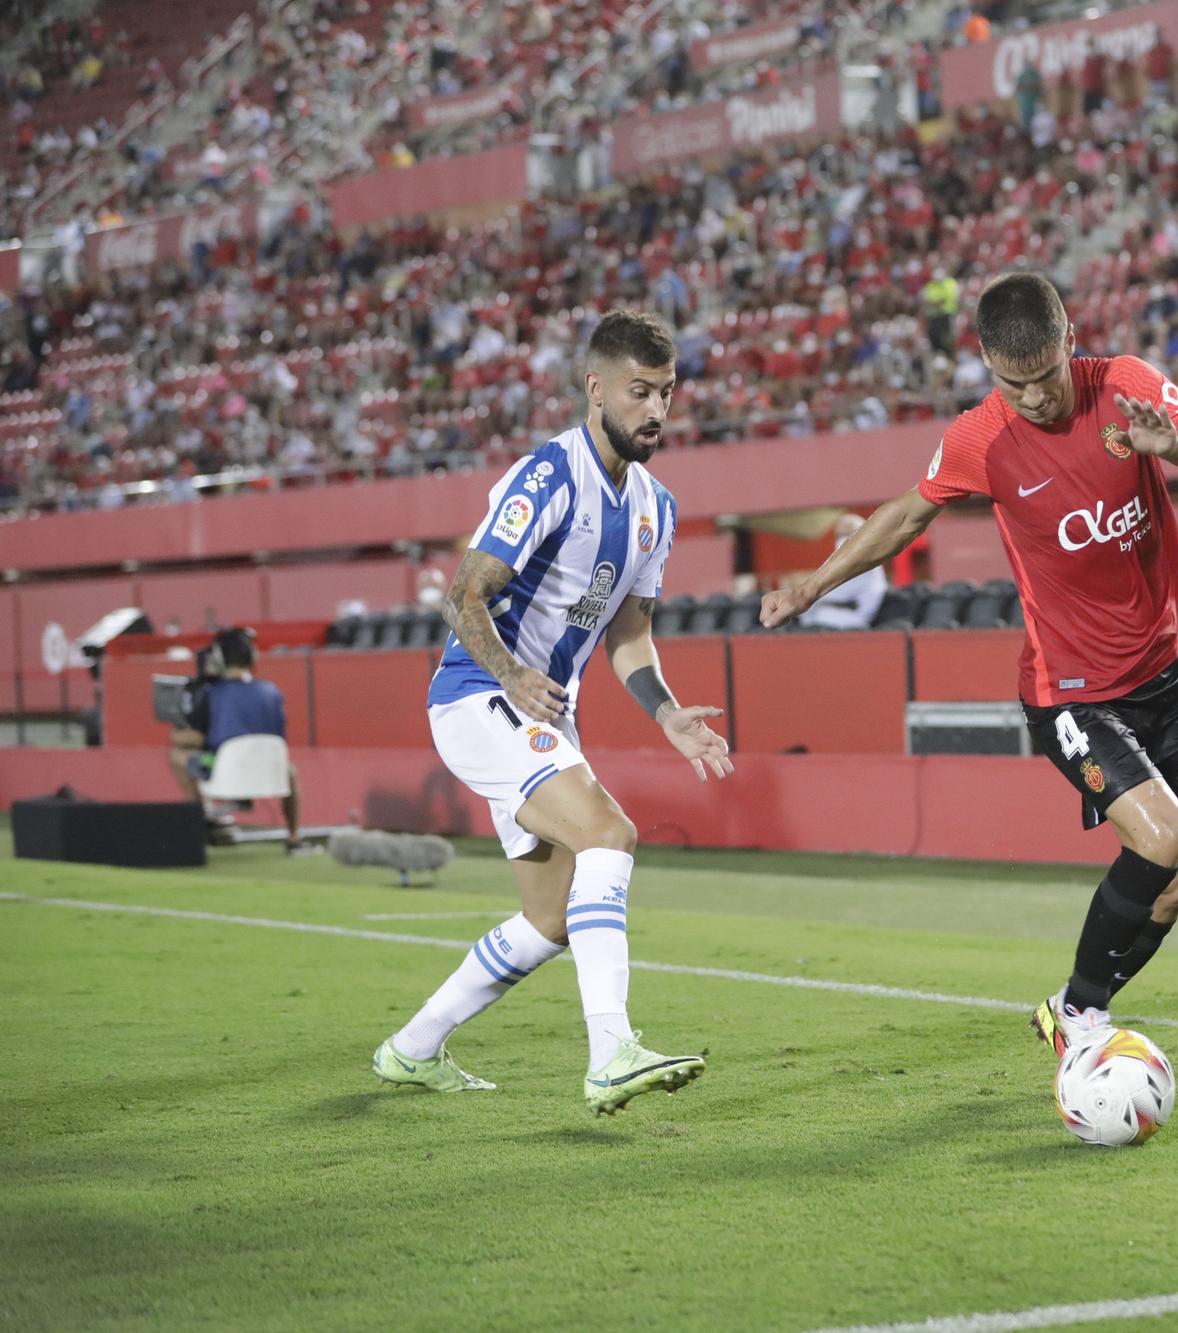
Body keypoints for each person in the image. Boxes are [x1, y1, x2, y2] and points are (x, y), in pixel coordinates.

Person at [759, 272, 1178, 1063]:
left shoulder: (1124, 386)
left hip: (1161, 672)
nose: (1031, 399)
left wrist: (1177, 447)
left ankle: (1070, 1008)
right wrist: (814, 583)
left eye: (1044, 378)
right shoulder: (980, 436)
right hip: (1071, 691)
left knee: (1175, 885)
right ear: (989, 368)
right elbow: (906, 513)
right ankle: (1084, 1018)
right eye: (1010, 383)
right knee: (1157, 838)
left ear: (1070, 342)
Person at [374, 310, 734, 1115]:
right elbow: (464, 594)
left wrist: (668, 714)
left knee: (549, 917)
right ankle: (612, 1053)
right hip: (479, 695)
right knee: (611, 833)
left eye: (667, 393)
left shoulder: (656, 508)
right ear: (595, 387)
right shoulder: (548, 477)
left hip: (540, 715)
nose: (656, 411)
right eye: (640, 392)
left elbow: (631, 635)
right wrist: (512, 672)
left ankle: (412, 1049)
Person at [168, 626, 313, 853]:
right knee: (291, 771)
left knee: (178, 756)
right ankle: (294, 838)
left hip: (220, 770)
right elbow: (279, 736)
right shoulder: (272, 691)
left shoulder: (210, 693)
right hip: (269, 772)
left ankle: (202, 819)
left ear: (218, 658)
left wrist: (176, 733)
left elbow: (195, 739)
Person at [798, 512, 888, 629]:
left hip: (854, 618)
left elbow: (826, 592)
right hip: (831, 611)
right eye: (841, 535)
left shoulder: (866, 559)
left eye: (851, 534)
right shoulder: (839, 558)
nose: (844, 539)